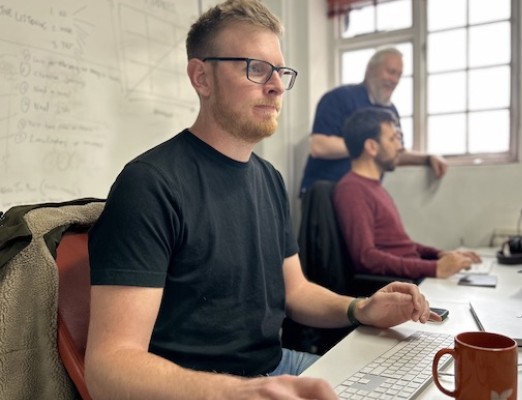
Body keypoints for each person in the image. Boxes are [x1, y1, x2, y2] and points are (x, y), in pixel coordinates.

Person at [84, 2, 440, 399]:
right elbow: (107, 366)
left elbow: (296, 292)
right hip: (199, 390)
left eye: (281, 72)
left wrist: (359, 308)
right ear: (201, 77)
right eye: (255, 68)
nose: (274, 85)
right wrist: (238, 393)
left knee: (426, 381)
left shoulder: (270, 179)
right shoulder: (150, 184)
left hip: (273, 368)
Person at [333, 107, 481, 281]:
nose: (400, 147)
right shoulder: (352, 189)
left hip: (413, 276)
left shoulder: (374, 187)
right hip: (403, 284)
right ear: (372, 147)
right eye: (394, 138)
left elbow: (401, 246)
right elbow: (366, 258)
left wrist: (441, 255)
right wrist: (433, 268)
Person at [299, 47, 448, 195]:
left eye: (399, 75)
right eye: (390, 72)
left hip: (363, 193)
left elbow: (394, 152)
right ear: (370, 69)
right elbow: (319, 146)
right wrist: (370, 145)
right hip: (327, 193)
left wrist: (428, 158)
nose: (395, 80)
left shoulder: (391, 112)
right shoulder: (338, 98)